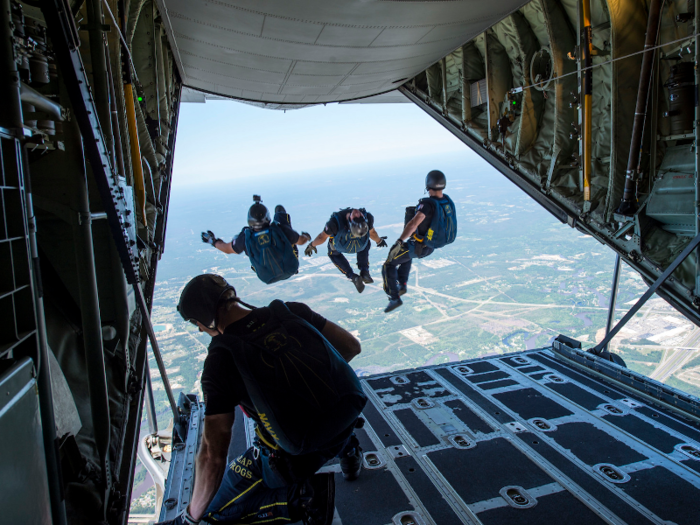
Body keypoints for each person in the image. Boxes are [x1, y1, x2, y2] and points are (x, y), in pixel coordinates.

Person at [156, 274, 366, 525]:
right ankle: (349, 447)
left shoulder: (221, 360)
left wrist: (190, 518)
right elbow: (351, 347)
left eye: (197, 325)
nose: (201, 330)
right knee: (325, 414)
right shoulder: (290, 312)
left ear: (203, 320)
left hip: (290, 459)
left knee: (211, 511)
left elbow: (213, 454)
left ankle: (303, 497)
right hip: (343, 422)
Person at [382, 170, 458, 313]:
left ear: (428, 185)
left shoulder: (428, 205)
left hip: (418, 246)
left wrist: (399, 241)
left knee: (389, 263)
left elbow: (413, 224)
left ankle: (394, 298)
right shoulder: (446, 201)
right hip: (429, 246)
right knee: (406, 256)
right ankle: (402, 285)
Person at [201, 196, 312, 284]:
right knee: (280, 213)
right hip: (291, 268)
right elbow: (301, 241)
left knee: (238, 240)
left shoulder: (245, 237)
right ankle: (292, 259)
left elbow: (227, 249)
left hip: (267, 277)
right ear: (268, 217)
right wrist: (306, 236)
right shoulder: (280, 229)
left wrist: (212, 241)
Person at [304, 208, 387, 293]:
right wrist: (379, 241)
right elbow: (372, 233)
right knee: (365, 242)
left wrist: (312, 245)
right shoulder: (368, 218)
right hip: (360, 245)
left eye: (357, 217)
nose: (358, 214)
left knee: (333, 254)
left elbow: (322, 237)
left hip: (341, 246)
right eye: (359, 217)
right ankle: (364, 271)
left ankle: (352, 276)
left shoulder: (334, 223)